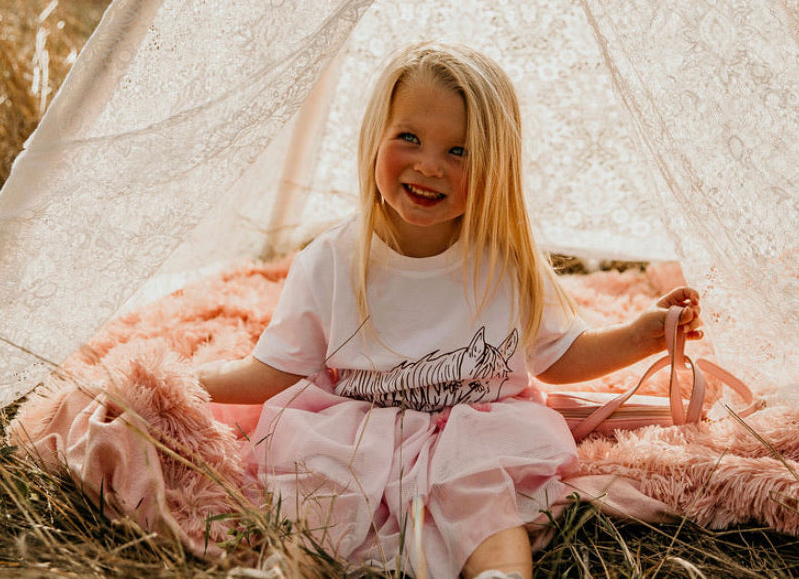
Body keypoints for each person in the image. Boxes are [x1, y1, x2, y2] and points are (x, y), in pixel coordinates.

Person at [197, 41, 703, 579]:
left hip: (475, 433)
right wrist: (187, 382)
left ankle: (500, 574)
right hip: (360, 432)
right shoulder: (330, 263)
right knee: (323, 497)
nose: (429, 166)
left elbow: (561, 356)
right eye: (409, 138)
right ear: (375, 139)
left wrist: (641, 335)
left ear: (494, 166)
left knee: (486, 506)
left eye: (458, 151)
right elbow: (276, 369)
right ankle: (288, 571)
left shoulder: (507, 263)